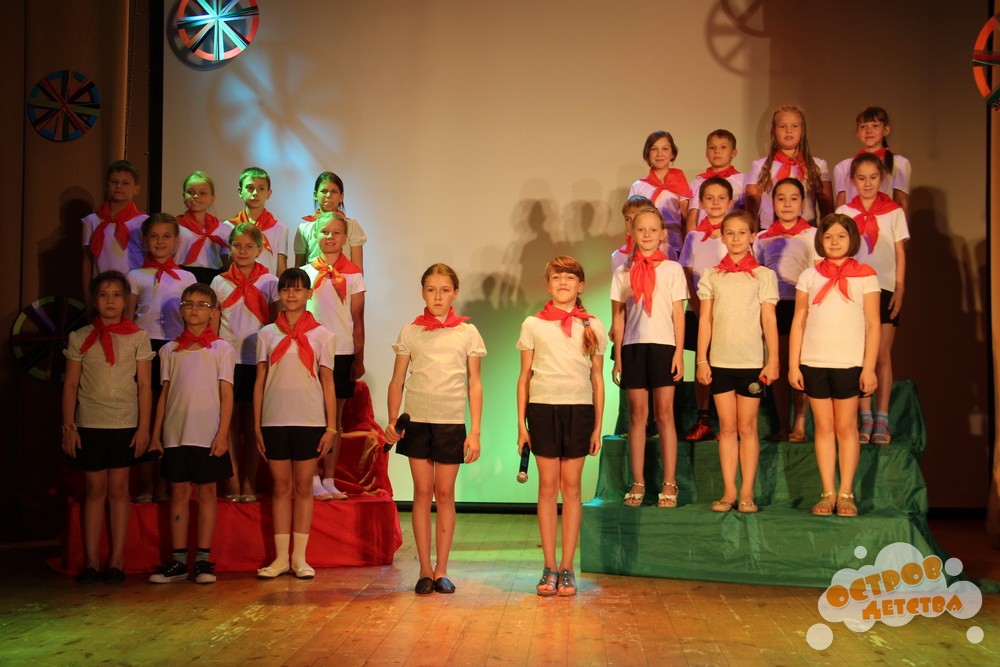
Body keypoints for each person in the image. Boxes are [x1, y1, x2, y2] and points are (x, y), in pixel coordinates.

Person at [384, 264, 486, 595]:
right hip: (417, 421)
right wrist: (392, 419)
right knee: (422, 492)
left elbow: (474, 383)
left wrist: (475, 432)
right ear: (423, 293)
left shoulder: (467, 332)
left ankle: (442, 569)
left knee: (444, 494)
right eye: (431, 290)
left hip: (450, 423)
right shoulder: (411, 331)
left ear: (455, 293)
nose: (438, 296)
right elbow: (398, 380)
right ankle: (424, 570)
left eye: (444, 290)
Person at [516, 257, 606, 597]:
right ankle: (549, 566)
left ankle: (568, 566)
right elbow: (524, 377)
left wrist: (597, 426)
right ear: (548, 285)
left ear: (580, 285)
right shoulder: (533, 324)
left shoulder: (592, 325)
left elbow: (597, 379)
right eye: (557, 277)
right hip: (542, 409)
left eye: (570, 277)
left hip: (579, 410)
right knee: (547, 487)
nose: (563, 282)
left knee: (572, 489)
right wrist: (521, 424)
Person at [62, 270, 154, 583]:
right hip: (90, 422)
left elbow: (144, 385)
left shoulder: (138, 337)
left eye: (116, 295)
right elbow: (70, 384)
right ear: (94, 300)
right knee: (94, 490)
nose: (110, 301)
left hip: (125, 423)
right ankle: (91, 561)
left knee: (118, 490)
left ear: (126, 300)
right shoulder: (79, 337)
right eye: (103, 295)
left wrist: (144, 428)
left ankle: (116, 560)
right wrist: (68, 427)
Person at [788, 214, 880, 517]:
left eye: (841, 236)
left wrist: (868, 367)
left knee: (846, 427)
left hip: (849, 362)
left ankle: (846, 493)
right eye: (828, 237)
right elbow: (799, 320)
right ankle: (828, 492)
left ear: (851, 239)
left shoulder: (866, 275)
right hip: (814, 360)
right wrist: (793, 364)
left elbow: (873, 324)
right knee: (824, 427)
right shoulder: (809, 275)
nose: (834, 241)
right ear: (820, 241)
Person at [148, 284, 235, 584]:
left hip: (207, 434)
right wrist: (156, 434)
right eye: (189, 303)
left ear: (213, 312)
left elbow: (226, 394)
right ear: (181, 310)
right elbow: (164, 393)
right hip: (175, 434)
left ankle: (203, 560)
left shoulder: (221, 349)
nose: (195, 309)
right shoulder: (169, 350)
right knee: (179, 494)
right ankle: (178, 560)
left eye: (202, 304)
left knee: (207, 494)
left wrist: (222, 434)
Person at [254, 268, 338, 579]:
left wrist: (331, 427)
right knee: (280, 487)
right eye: (286, 289)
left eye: (298, 289)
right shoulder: (266, 334)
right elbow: (260, 380)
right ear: (279, 294)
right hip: (274, 419)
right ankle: (279, 559)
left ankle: (299, 559)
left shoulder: (323, 335)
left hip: (309, 420)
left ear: (308, 294)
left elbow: (327, 381)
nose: (291, 295)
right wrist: (256, 425)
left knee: (304, 487)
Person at [695, 211, 779, 513]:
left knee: (747, 426)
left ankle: (747, 492)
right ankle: (729, 491)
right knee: (727, 427)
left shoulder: (764, 276)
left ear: (753, 236)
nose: (736, 238)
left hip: (752, 362)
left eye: (742, 232)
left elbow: (769, 320)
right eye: (729, 232)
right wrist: (702, 360)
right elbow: (705, 320)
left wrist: (773, 360)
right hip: (720, 362)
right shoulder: (711, 275)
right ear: (722, 235)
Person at [610, 206, 687, 509]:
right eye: (641, 229)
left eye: (653, 230)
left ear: (663, 234)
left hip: (664, 346)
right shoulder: (622, 271)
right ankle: (638, 481)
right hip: (633, 347)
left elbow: (678, 314)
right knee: (637, 416)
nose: (646, 235)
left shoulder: (672, 269)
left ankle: (669, 482)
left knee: (664, 414)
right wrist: (618, 357)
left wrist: (679, 352)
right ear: (632, 232)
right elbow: (619, 318)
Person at [835, 153, 909, 445]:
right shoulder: (845, 211)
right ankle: (864, 417)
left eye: (873, 178)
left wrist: (900, 288)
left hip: (885, 287)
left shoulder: (894, 212)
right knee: (860, 354)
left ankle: (882, 418)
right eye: (861, 178)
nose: (867, 184)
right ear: (852, 180)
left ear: (882, 178)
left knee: (881, 355)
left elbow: (900, 252)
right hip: (855, 287)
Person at [126, 213, 197, 502]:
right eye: (154, 236)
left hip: (175, 348)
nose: (160, 242)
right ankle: (146, 484)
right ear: (145, 240)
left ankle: (165, 483)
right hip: (143, 348)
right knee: (145, 414)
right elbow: (128, 317)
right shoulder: (135, 276)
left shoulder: (187, 277)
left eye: (166, 236)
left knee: (169, 415)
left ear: (176, 241)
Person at [211, 223, 279, 502]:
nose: (242, 251)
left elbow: (275, 322)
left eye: (249, 246)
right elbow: (214, 324)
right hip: (228, 360)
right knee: (229, 423)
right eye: (237, 245)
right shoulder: (219, 282)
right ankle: (233, 480)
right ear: (229, 248)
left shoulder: (269, 281)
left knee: (252, 424)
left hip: (257, 361)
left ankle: (249, 481)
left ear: (260, 250)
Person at [302, 213, 366, 501]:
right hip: (309, 352)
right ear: (315, 235)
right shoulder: (305, 272)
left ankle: (329, 478)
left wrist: (359, 357)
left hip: (341, 352)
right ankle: (312, 478)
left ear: (345, 238)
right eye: (324, 232)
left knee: (334, 419)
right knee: (311, 417)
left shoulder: (353, 274)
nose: (330, 237)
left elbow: (358, 320)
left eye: (336, 232)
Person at [753, 178, 819, 442]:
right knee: (778, 366)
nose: (787, 204)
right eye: (781, 198)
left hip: (803, 306)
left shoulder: (813, 235)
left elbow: (820, 273)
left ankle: (799, 424)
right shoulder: (762, 238)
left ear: (802, 204)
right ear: (773, 203)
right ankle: (783, 425)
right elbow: (757, 273)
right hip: (774, 307)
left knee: (800, 364)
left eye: (794, 198)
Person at [678, 177, 733, 441]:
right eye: (709, 198)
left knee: (727, 363)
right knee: (703, 360)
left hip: (729, 310)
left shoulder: (736, 234)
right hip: (699, 308)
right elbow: (687, 273)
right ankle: (704, 419)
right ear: (700, 202)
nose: (715, 203)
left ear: (730, 202)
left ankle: (728, 422)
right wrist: (697, 306)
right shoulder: (694, 237)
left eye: (721, 198)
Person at [746, 105, 832, 230]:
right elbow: (751, 211)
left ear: (802, 130)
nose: (788, 131)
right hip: (769, 232)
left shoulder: (817, 165)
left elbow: (827, 209)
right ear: (774, 131)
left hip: (806, 232)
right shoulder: (760, 166)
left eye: (795, 126)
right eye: (782, 126)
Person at [81, 160, 147, 298]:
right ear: (107, 185)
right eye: (114, 182)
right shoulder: (92, 221)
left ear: (136, 189)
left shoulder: (143, 222)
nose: (119, 186)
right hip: (103, 292)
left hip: (134, 293)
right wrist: (88, 297)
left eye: (125, 183)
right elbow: (87, 261)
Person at [833, 106, 911, 219]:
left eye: (875, 126)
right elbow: (841, 203)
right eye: (863, 126)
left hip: (885, 222)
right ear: (857, 132)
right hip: (853, 223)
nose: (869, 131)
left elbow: (901, 202)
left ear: (886, 130)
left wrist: (901, 228)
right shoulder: (843, 167)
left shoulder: (899, 163)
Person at [626, 131, 692, 257]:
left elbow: (686, 217)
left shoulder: (679, 182)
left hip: (674, 245)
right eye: (654, 149)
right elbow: (630, 219)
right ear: (647, 153)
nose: (659, 154)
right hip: (645, 246)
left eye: (665, 149)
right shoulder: (639, 186)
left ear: (672, 153)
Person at [295, 172, 367, 270]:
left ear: (341, 197)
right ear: (315, 195)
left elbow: (357, 269)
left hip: (345, 278)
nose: (328, 195)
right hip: (313, 279)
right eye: (324, 191)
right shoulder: (304, 229)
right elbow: (299, 269)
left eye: (334, 191)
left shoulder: (351, 226)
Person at [227, 166, 289, 275]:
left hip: (268, 284)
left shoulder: (279, 228)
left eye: (261, 188)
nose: (255, 193)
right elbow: (226, 266)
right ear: (240, 191)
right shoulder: (228, 226)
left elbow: (281, 268)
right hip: (236, 284)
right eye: (250, 188)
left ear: (268, 193)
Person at [175, 171, 233, 285]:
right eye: (190, 192)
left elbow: (228, 261)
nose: (196, 196)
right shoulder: (175, 227)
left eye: (203, 193)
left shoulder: (224, 230)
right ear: (183, 196)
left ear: (212, 198)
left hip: (213, 278)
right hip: (181, 276)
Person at [685, 130, 745, 233]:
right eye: (712, 147)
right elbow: (693, 214)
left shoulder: (742, 180)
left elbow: (746, 212)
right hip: (704, 235)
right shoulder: (698, 182)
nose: (717, 151)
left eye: (723, 147)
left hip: (732, 235)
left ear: (734, 153)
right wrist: (691, 238)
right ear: (706, 153)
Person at [611, 195, 656, 273]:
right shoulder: (618, 256)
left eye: (636, 217)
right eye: (628, 219)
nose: (632, 223)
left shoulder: (665, 249)